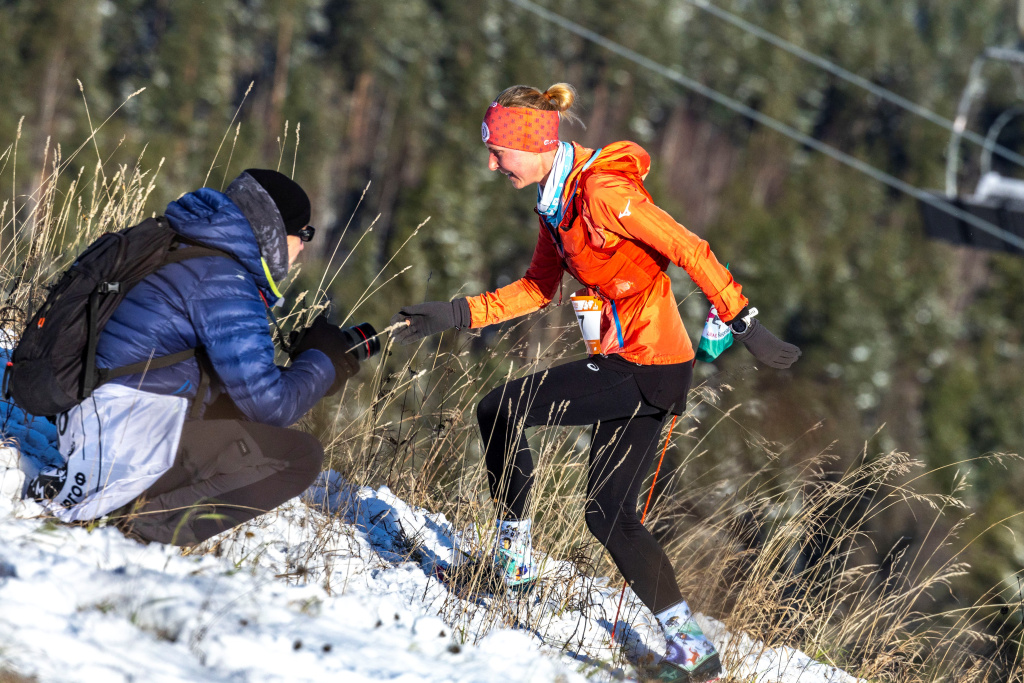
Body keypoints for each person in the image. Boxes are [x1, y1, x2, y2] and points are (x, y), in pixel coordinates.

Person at [391, 84, 800, 681]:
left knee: (500, 408)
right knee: (610, 516)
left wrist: (744, 323)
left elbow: (689, 248)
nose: (490, 163)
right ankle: (698, 659)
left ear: (531, 145)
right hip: (634, 364)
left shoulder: (603, 192)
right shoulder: (555, 204)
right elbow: (537, 288)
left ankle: (512, 569)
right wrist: (455, 315)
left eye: (497, 149)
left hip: (645, 364)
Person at [27, 169, 361, 546]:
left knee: (238, 415)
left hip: (99, 418)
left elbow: (239, 391)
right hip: (126, 435)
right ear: (274, 230)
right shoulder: (224, 279)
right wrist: (321, 360)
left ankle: (138, 506)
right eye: (304, 234)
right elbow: (272, 406)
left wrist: (316, 366)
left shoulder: (186, 245)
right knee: (298, 457)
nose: (303, 248)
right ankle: (141, 523)